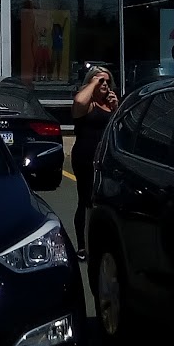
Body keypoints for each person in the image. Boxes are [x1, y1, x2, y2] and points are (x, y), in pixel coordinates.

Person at [70, 61, 119, 260]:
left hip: (106, 159)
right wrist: (93, 82)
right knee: (86, 199)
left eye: (107, 81)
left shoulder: (110, 104)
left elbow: (120, 128)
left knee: (105, 201)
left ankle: (103, 242)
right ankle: (83, 246)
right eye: (100, 81)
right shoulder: (87, 104)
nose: (104, 84)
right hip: (85, 157)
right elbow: (79, 102)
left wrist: (116, 108)